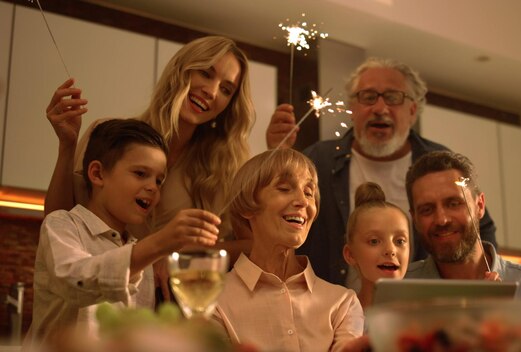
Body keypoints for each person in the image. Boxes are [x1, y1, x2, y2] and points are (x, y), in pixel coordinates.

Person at [44, 35, 255, 301]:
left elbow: (252, 245)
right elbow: (55, 224)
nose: (211, 92)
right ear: (180, 71)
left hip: (165, 310)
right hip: (88, 302)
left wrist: (179, 257)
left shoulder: (223, 171)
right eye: (205, 73)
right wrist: (67, 145)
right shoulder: (109, 136)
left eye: (226, 89)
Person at [266, 57, 497, 287]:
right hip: (328, 314)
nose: (379, 108)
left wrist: (482, 281)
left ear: (413, 110)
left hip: (416, 313)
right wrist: (276, 160)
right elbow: (277, 226)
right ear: (353, 109)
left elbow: (480, 229)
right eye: (368, 97)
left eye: (393, 97)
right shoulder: (318, 161)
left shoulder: (438, 164)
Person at [26, 119, 219, 348]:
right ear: (97, 174)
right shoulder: (62, 224)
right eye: (140, 173)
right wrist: (158, 243)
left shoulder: (141, 256)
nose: (153, 187)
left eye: (159, 180)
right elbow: (73, 282)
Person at [212, 148, 364, 351]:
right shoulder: (211, 300)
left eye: (309, 193)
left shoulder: (343, 303)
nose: (303, 202)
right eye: (284, 188)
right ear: (247, 206)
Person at [403, 150, 521, 352]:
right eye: (427, 209)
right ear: (415, 219)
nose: (442, 220)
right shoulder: (401, 290)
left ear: (480, 205)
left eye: (454, 203)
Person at [342, 182, 410, 309]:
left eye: (400, 241)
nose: (390, 250)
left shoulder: (423, 318)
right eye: (374, 241)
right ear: (350, 254)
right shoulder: (336, 317)